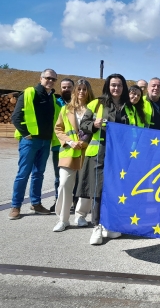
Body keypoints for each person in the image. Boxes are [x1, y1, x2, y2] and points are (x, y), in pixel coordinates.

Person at [77, 73, 137, 245]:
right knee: (98, 190)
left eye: (119, 85)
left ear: (123, 87)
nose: (116, 88)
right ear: (107, 86)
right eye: (113, 85)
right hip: (99, 152)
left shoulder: (129, 107)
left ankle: (109, 225)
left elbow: (135, 130)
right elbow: (83, 124)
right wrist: (93, 125)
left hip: (120, 154)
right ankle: (96, 226)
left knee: (114, 190)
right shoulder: (97, 103)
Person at [9, 69, 59, 220]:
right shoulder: (29, 93)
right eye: (48, 78)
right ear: (41, 78)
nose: (50, 81)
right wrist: (26, 134)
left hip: (46, 141)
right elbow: (16, 117)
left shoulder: (52, 97)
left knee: (38, 174)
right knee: (23, 173)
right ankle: (15, 205)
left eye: (53, 79)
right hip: (30, 141)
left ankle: (36, 203)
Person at [53, 79, 95, 232]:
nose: (82, 92)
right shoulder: (65, 109)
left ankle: (81, 215)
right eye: (79, 89)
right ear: (74, 91)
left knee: (86, 185)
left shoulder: (94, 109)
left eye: (85, 89)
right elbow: (58, 129)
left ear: (89, 91)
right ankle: (63, 219)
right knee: (64, 184)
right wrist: (70, 142)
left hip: (88, 151)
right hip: (69, 152)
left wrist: (85, 143)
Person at [50, 78, 75, 212]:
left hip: (77, 146)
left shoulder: (79, 104)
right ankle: (57, 200)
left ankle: (75, 201)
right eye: (64, 87)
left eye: (69, 87)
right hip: (58, 145)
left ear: (73, 88)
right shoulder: (55, 102)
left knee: (77, 175)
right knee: (59, 176)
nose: (66, 89)